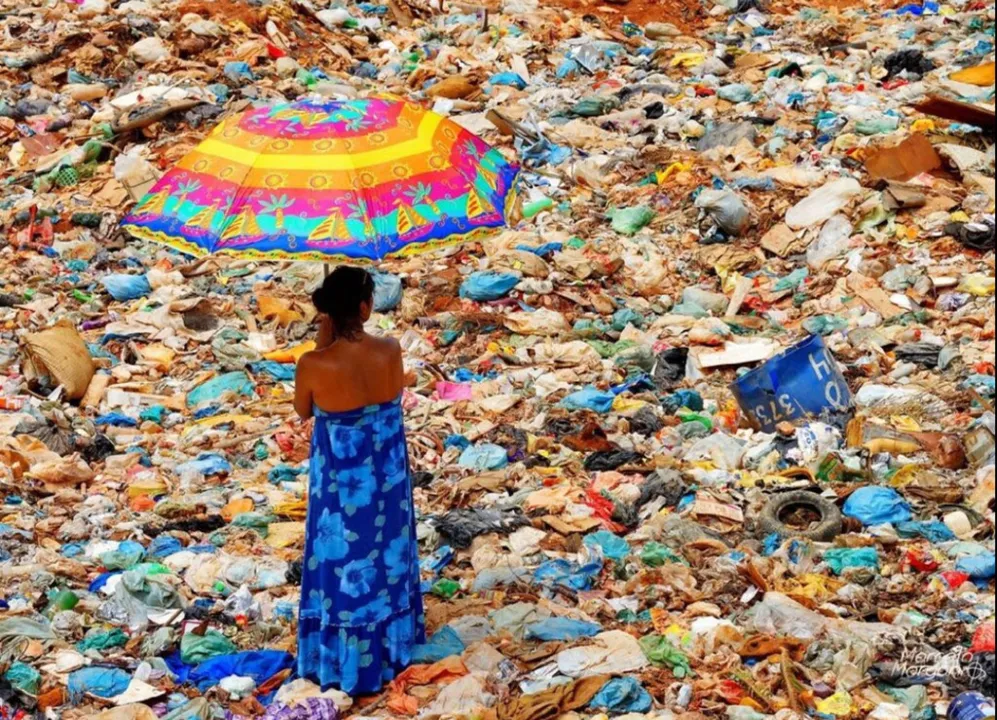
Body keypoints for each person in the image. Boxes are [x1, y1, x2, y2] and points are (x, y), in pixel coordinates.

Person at [294, 266, 424, 695]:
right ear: (366, 307)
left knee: (342, 565)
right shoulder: (389, 351)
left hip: (339, 491)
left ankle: (344, 657)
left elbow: (303, 411)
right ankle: (392, 647)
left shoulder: (312, 364)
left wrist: (320, 344)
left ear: (328, 312)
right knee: (387, 557)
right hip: (387, 483)